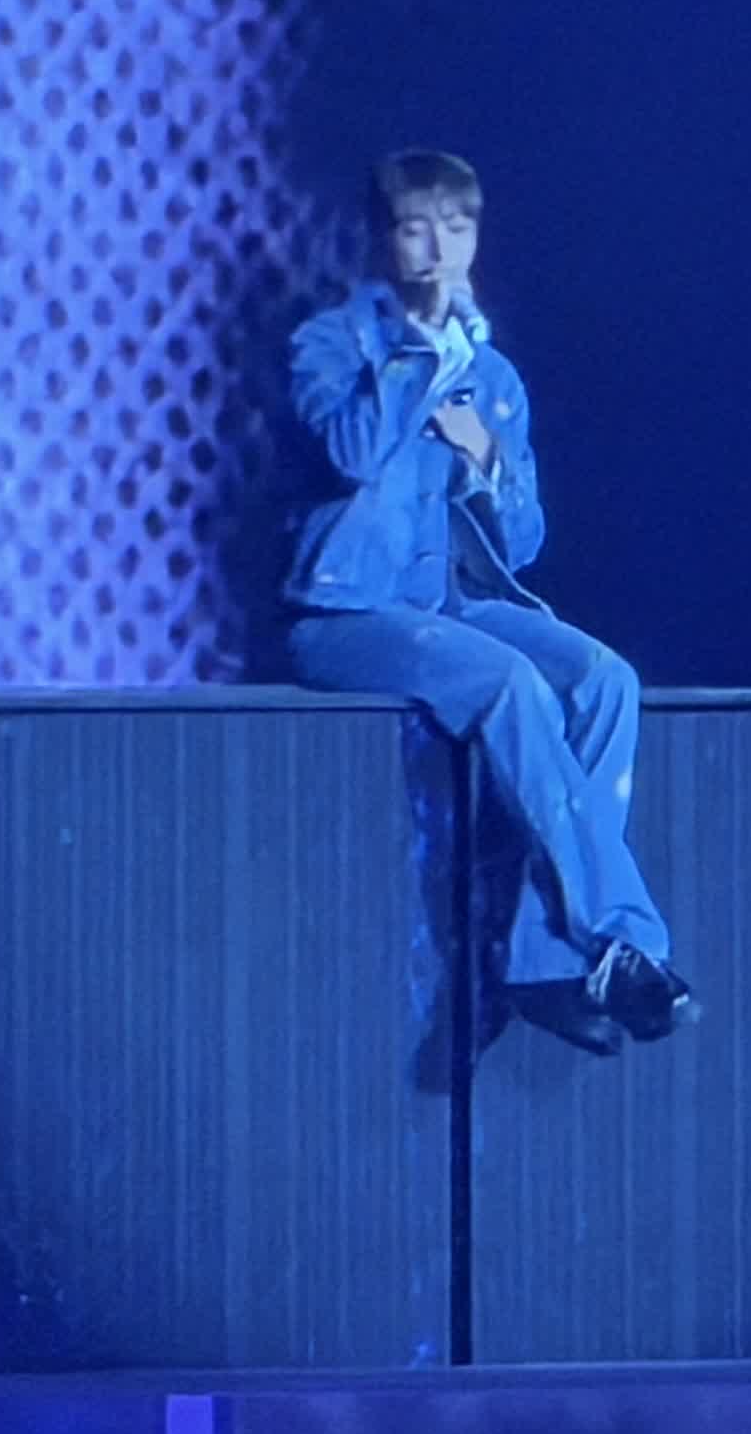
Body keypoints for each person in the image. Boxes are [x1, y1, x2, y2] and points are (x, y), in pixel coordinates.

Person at [280, 150, 695, 1053]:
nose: (439, 249)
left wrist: (490, 462)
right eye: (416, 228)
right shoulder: (330, 345)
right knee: (510, 683)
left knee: (604, 679)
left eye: (457, 227)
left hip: (450, 606)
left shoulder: (491, 374)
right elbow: (350, 453)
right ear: (382, 239)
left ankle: (545, 962)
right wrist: (421, 360)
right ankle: (620, 940)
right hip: (346, 617)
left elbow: (524, 542)